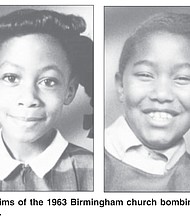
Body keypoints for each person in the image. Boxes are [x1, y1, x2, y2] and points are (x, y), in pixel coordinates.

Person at [0, 8, 93, 191]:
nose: (28, 99)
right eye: (11, 78)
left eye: (48, 81)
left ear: (70, 91)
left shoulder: (94, 171)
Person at [105, 12, 190, 191]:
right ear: (121, 85)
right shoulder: (86, 164)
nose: (161, 94)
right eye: (145, 75)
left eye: (183, 78)